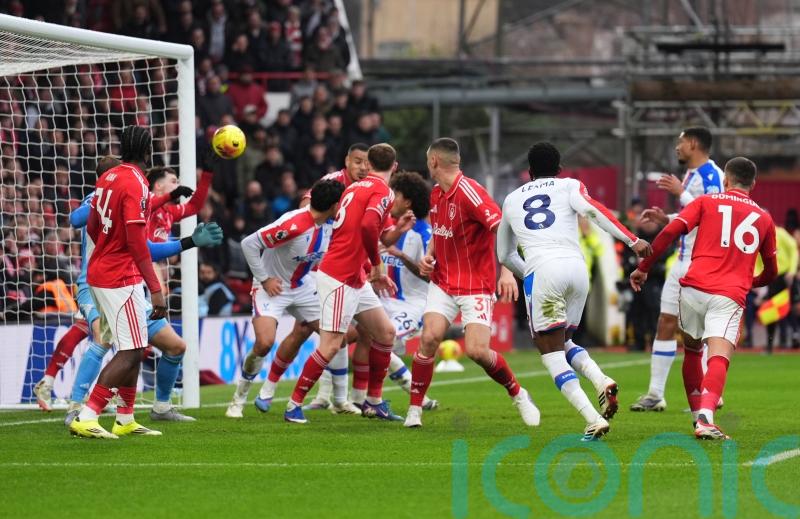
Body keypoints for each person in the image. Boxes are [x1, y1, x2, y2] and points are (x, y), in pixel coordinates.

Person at [498, 142, 651, 440]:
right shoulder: (569, 185)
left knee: (549, 350)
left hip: (544, 270)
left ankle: (593, 419)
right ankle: (601, 379)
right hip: (577, 270)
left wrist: (530, 273)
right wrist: (632, 240)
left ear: (529, 172)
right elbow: (594, 211)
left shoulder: (512, 199)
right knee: (565, 340)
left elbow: (504, 254)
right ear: (559, 169)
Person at [59, 159, 223, 427]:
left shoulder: (137, 204)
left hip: (130, 284)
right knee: (103, 338)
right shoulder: (103, 199)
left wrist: (171, 196)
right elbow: (75, 219)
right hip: (96, 284)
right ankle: (77, 407)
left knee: (174, 346)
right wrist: (189, 241)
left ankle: (156, 408)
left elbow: (183, 213)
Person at [630, 157, 777, 439]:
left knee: (693, 350)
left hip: (693, 289)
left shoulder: (705, 202)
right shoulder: (764, 218)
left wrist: (644, 267)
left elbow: (670, 232)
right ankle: (706, 419)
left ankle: (697, 415)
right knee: (719, 356)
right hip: (728, 295)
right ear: (753, 184)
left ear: (726, 180)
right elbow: (771, 272)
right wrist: (750, 282)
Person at [404, 138, 538, 429]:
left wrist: (507, 273)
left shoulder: (471, 192)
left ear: (433, 162)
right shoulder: (436, 194)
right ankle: (414, 410)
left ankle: (518, 393)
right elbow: (440, 232)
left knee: (477, 351)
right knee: (429, 339)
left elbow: (505, 229)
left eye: (428, 161)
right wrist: (429, 255)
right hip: (443, 282)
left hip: (476, 284)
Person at [283, 143, 401, 424]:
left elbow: (352, 233)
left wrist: (369, 268)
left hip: (354, 275)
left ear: (369, 165)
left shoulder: (353, 188)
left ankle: (373, 402)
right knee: (331, 344)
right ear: (394, 167)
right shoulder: (383, 191)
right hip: (339, 277)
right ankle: (293, 405)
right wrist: (377, 263)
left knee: (385, 333)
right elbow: (368, 226)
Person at [69, 126, 167, 439]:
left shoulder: (107, 177)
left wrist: (106, 249)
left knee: (133, 346)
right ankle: (88, 415)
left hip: (101, 270)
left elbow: (93, 226)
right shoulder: (137, 182)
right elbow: (138, 243)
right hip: (120, 276)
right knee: (132, 350)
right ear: (147, 151)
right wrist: (156, 289)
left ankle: (125, 418)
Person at [224, 179, 352, 418]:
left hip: (303, 286)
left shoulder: (332, 224)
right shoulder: (293, 224)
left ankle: (339, 401)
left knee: (339, 338)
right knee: (264, 343)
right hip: (272, 287)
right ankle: (238, 399)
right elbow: (248, 243)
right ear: (335, 205)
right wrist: (264, 279)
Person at [630, 127, 725, 412]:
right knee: (666, 323)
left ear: (693, 143)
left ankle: (710, 393)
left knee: (701, 332)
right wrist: (667, 218)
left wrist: (681, 194)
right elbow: (691, 215)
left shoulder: (712, 175)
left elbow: (713, 214)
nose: (677, 147)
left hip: (702, 263)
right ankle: (655, 394)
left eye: (680, 142)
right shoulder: (693, 174)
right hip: (681, 260)